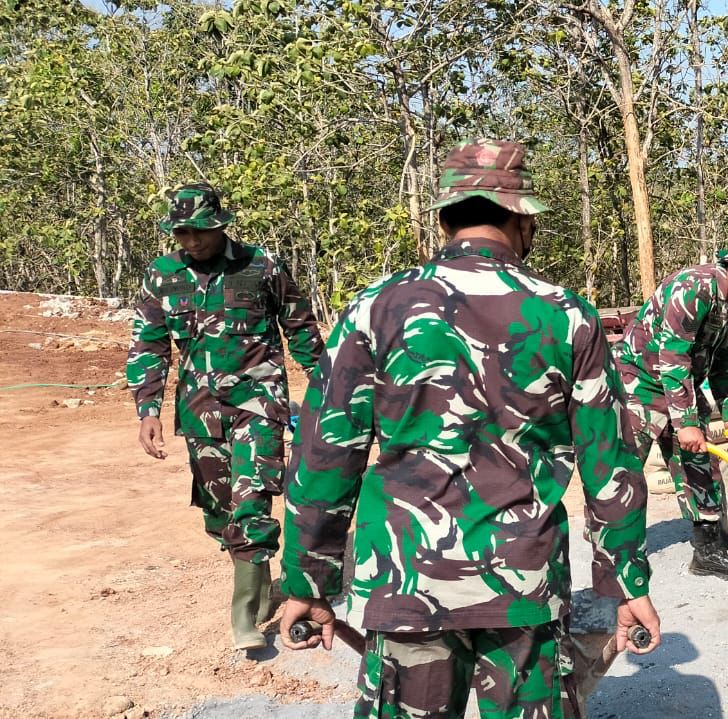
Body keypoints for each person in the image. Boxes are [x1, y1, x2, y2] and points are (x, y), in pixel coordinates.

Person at [278, 139, 659, 718]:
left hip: (406, 582)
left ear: (442, 220)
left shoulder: (376, 307)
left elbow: (326, 454)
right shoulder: (566, 314)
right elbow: (611, 465)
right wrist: (627, 582)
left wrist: (307, 580)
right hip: (522, 588)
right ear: (524, 219)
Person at [126, 183, 324, 650]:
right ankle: (249, 566)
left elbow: (299, 326)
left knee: (253, 498)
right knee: (221, 510)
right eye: (182, 233)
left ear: (221, 225)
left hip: (259, 402)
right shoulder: (162, 275)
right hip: (199, 409)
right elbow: (149, 344)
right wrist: (147, 409)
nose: (192, 242)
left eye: (201, 232)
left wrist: (326, 387)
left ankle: (247, 618)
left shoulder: (261, 266)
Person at [612, 232, 728, 581]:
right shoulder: (694, 288)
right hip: (640, 384)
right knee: (626, 470)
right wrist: (686, 422)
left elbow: (720, 361)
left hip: (678, 386)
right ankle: (615, 553)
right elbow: (672, 357)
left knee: (700, 465)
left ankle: (708, 552)